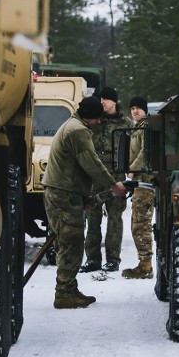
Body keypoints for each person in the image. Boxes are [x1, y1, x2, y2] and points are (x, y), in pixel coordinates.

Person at [43, 96, 128, 308]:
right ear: (88, 116)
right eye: (97, 119)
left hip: (65, 192)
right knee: (71, 243)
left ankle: (69, 289)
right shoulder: (78, 131)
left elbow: (76, 168)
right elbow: (91, 164)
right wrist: (113, 184)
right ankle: (64, 294)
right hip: (63, 194)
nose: (99, 122)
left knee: (69, 241)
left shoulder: (73, 125)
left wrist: (84, 198)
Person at [79, 86, 131, 273]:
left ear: (114, 101)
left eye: (106, 99)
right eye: (100, 99)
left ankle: (113, 259)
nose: (102, 102)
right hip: (93, 177)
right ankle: (92, 259)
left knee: (115, 219)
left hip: (116, 176)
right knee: (92, 218)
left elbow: (132, 149)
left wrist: (130, 174)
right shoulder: (94, 120)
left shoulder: (125, 123)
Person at [122, 96, 155, 279]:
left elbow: (145, 151)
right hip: (139, 182)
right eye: (132, 108)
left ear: (145, 109)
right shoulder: (137, 127)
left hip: (145, 182)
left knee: (141, 225)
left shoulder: (145, 127)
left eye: (138, 108)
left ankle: (146, 266)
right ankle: (144, 263)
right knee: (138, 224)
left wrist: (132, 171)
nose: (135, 111)